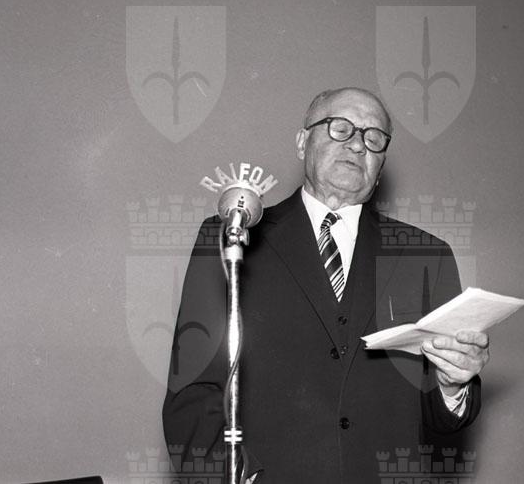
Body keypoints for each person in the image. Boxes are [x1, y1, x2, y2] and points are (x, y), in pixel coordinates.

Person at [163, 87, 489, 483]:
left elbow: (442, 419)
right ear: (302, 142)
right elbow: (192, 395)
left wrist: (453, 384)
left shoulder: (426, 256)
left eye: (374, 137)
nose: (358, 144)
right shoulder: (231, 238)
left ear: (381, 164)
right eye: (340, 128)